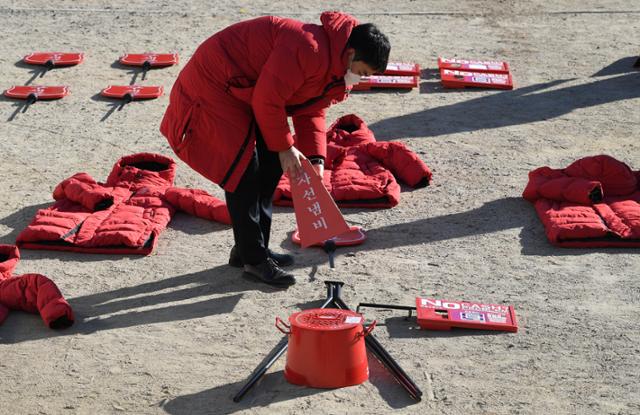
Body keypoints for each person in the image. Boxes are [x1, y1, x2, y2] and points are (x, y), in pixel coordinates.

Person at [160, 11, 390, 288]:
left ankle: (250, 249)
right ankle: (254, 262)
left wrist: (315, 158)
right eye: (361, 72)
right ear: (350, 54)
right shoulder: (308, 47)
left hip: (250, 92)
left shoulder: (334, 65)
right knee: (242, 172)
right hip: (216, 84)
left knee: (272, 167)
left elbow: (311, 109)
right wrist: (285, 146)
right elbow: (268, 99)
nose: (359, 80)